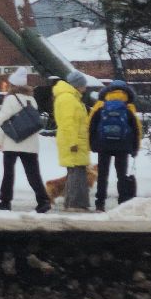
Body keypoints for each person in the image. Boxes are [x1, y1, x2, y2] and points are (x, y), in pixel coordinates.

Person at [0, 67, 49, 212]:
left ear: (13, 85)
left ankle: (5, 202)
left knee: (9, 173)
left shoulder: (11, 99)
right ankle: (43, 200)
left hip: (12, 142)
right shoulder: (31, 100)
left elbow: (2, 120)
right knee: (33, 174)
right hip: (30, 143)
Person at [90, 80, 143, 211]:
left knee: (102, 175)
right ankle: (123, 202)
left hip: (104, 145)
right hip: (123, 146)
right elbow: (136, 129)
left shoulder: (100, 105)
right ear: (126, 92)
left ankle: (100, 203)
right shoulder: (128, 107)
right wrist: (135, 148)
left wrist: (93, 144)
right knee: (121, 175)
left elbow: (91, 125)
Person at [51, 71, 93, 212]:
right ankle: (75, 204)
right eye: (83, 85)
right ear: (77, 85)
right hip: (74, 142)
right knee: (76, 173)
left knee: (76, 172)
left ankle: (73, 203)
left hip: (76, 141)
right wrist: (72, 143)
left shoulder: (71, 98)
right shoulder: (68, 99)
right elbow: (68, 123)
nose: (85, 88)